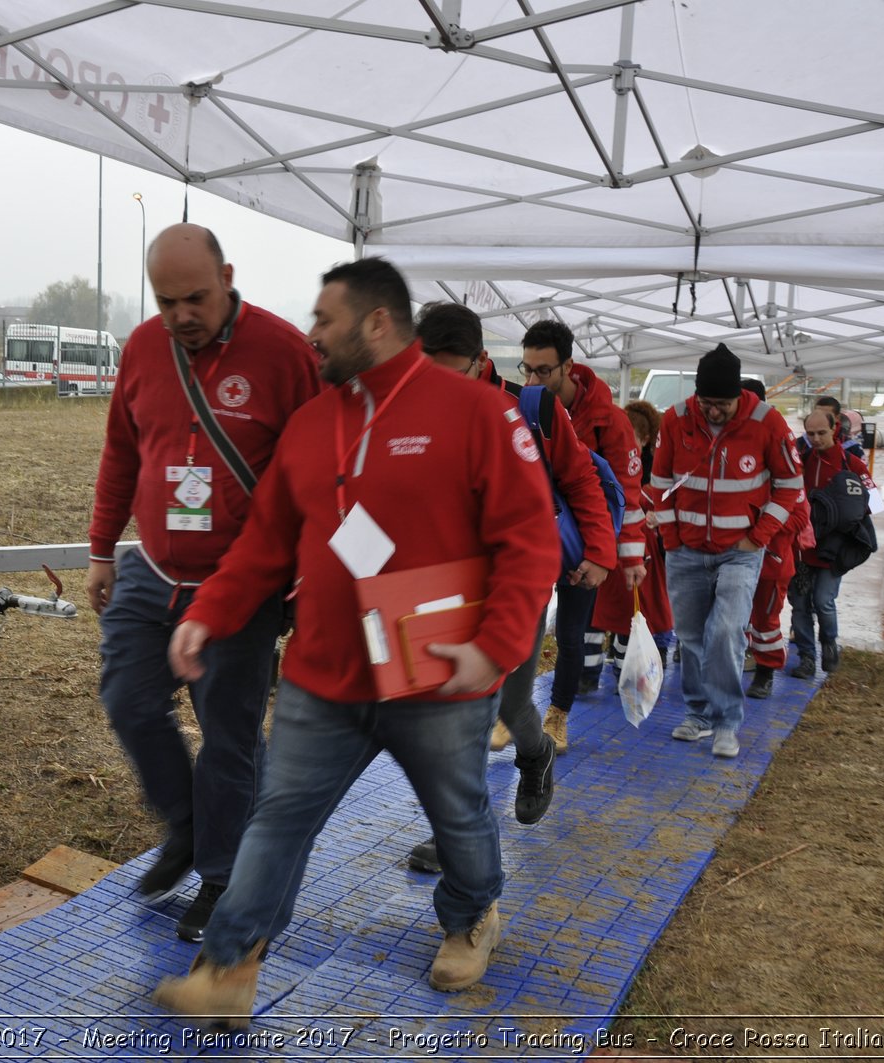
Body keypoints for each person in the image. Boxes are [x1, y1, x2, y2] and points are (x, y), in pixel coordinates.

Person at [152, 258, 558, 1024]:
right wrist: (211, 610)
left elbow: (530, 540)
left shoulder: (475, 413)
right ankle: (230, 965)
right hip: (325, 676)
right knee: (279, 817)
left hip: (439, 673)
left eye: (324, 319)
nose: (312, 333)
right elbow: (264, 542)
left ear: (376, 323)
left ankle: (472, 912)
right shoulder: (314, 424)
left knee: (459, 817)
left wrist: (497, 644)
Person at [86, 223, 321, 943]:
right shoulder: (140, 350)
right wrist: (101, 549)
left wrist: (303, 581)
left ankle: (221, 876)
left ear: (227, 276)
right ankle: (185, 826)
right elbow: (122, 451)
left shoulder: (283, 353)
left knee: (229, 734)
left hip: (240, 585)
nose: (182, 314)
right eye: (166, 301)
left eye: (195, 297)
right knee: (126, 697)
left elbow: (314, 475)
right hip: (152, 571)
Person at [398, 301, 616, 874]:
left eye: (454, 373)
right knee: (454, 709)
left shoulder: (529, 411)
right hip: (442, 587)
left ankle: (536, 753)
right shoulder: (409, 409)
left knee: (509, 700)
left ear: (481, 362)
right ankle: (457, 836)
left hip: (516, 582)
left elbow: (581, 480)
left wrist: (599, 552)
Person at [651, 344, 804, 759]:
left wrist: (759, 536)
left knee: (726, 632)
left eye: (722, 404)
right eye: (706, 403)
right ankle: (698, 717)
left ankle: (726, 723)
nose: (713, 412)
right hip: (685, 552)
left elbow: (791, 486)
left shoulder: (767, 422)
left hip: (741, 551)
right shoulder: (676, 418)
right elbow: (659, 482)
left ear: (738, 395)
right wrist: (672, 540)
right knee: (692, 637)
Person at [517, 320, 646, 752]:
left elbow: (620, 493)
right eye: (526, 369)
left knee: (572, 634)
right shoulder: (523, 407)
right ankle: (511, 711)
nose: (533, 380)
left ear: (568, 367)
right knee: (522, 629)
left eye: (543, 371)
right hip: (536, 540)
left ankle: (558, 717)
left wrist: (611, 555)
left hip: (582, 547)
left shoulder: (609, 420)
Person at [591, 399, 675, 681]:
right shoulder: (613, 454)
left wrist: (654, 516)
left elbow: (650, 499)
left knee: (639, 607)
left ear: (647, 439)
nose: (627, 448)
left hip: (643, 545)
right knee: (615, 607)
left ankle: (639, 662)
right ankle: (594, 670)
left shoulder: (653, 464)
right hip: (622, 542)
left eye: (634, 441)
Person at [738, 380, 810, 700]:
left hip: (772, 558)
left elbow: (799, 515)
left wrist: (763, 529)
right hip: (735, 557)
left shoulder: (783, 453)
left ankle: (765, 674)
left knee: (765, 620)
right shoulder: (732, 452)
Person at [790, 408, 875, 678]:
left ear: (835, 429)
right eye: (810, 433)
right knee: (800, 604)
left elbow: (874, 503)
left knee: (823, 600)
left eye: (821, 433)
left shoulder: (852, 464)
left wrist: (844, 514)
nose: (815, 439)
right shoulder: (800, 462)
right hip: (802, 550)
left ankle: (828, 643)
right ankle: (805, 657)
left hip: (832, 550)